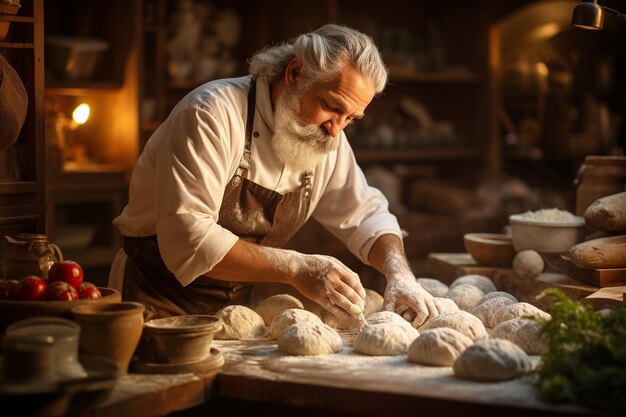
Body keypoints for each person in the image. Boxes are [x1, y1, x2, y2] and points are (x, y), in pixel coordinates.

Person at [108, 24, 438, 326]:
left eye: (351, 118)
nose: (336, 129)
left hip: (235, 311)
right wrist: (297, 268)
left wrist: (399, 273)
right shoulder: (212, 113)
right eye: (331, 106)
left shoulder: (327, 138)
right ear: (295, 73)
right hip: (155, 299)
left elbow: (365, 214)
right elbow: (188, 236)